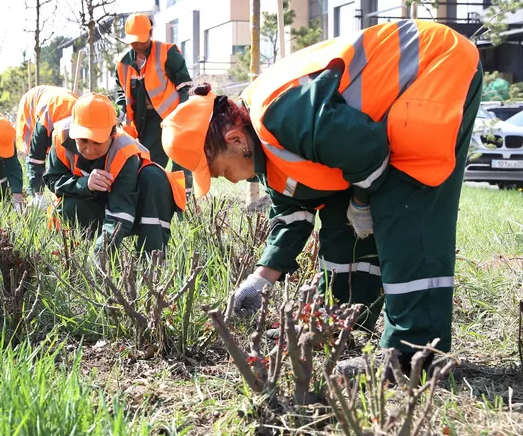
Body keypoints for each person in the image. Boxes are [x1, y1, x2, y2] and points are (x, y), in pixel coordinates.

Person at [160, 20, 483, 378]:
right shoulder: (266, 149)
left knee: (403, 203)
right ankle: (343, 323)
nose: (230, 181)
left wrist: (362, 201)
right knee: (339, 213)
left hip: (433, 67)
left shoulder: (279, 114)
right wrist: (259, 280)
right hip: (409, 89)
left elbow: (368, 149)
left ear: (235, 140)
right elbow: (291, 214)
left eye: (219, 171)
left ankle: (414, 355)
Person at [43, 92, 186, 255]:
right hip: (94, 207)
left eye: (97, 142)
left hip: (133, 209)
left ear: (112, 134)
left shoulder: (126, 152)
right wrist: (84, 184)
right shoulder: (60, 137)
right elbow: (53, 179)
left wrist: (100, 254)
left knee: (154, 177)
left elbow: (121, 211)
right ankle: (85, 249)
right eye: (82, 140)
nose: (89, 149)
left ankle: (153, 258)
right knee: (68, 206)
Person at [115, 12, 194, 196]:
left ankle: (184, 201)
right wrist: (121, 110)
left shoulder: (167, 52)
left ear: (150, 34)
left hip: (172, 118)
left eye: (141, 40)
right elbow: (121, 91)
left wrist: (182, 114)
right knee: (149, 162)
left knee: (180, 161)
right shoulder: (123, 64)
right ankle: (151, 200)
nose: (138, 45)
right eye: (134, 41)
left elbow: (185, 86)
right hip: (146, 122)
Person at [15, 85, 78, 209]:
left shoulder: (80, 122)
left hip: (64, 102)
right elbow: (35, 157)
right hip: (32, 104)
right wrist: (38, 193)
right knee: (32, 153)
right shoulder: (44, 124)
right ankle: (33, 194)